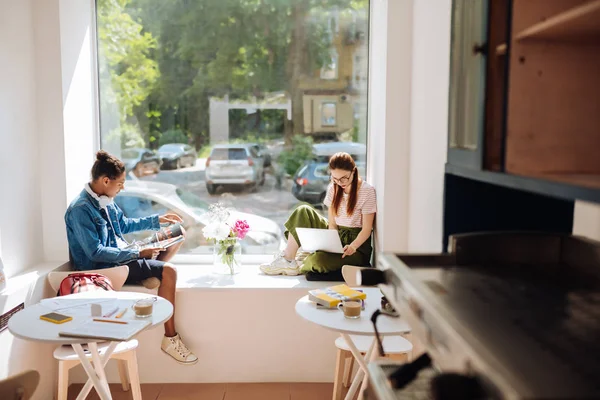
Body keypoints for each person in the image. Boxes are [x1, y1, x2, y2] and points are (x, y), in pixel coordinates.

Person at [64, 150, 198, 365]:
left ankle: (146, 273)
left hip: (121, 257)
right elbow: (95, 253)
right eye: (120, 183)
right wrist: (136, 253)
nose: (122, 187)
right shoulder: (80, 209)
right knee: (169, 271)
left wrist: (157, 220)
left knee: (176, 236)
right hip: (104, 268)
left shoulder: (105, 199)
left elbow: (124, 225)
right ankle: (170, 339)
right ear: (106, 180)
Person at [260, 152, 376, 276]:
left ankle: (304, 260)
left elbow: (367, 229)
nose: (340, 182)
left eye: (344, 178)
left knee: (319, 261)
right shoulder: (334, 187)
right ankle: (288, 259)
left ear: (354, 172)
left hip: (356, 247)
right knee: (303, 210)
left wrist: (353, 246)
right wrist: (331, 244)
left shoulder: (366, 191)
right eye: (335, 178)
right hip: (336, 234)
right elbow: (332, 223)